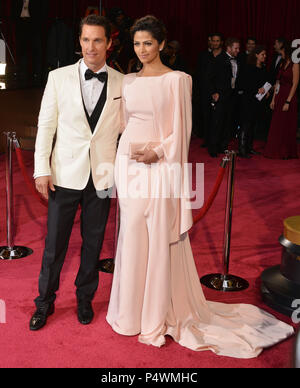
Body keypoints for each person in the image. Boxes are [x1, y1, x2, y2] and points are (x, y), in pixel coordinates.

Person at [106, 15, 294, 359]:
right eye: (136, 43)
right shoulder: (128, 80)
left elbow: (182, 130)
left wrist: (157, 151)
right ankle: (128, 314)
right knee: (131, 233)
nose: (142, 49)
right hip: (127, 165)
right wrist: (121, 157)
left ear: (162, 44)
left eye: (148, 43)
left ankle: (154, 315)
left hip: (158, 167)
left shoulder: (178, 80)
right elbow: (123, 124)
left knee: (157, 236)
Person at [29, 15, 124, 331]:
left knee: (93, 245)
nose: (91, 47)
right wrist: (41, 169)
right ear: (79, 41)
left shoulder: (124, 83)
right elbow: (46, 126)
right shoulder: (58, 77)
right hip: (64, 175)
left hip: (102, 178)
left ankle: (85, 299)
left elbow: (127, 130)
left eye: (98, 40)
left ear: (109, 43)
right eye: (86, 40)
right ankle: (44, 303)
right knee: (54, 245)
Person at [264, 41, 299, 159]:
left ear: (287, 51)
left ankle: (286, 151)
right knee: (276, 124)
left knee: (287, 125)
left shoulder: (295, 64)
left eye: (282, 52)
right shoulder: (281, 64)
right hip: (279, 96)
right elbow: (277, 82)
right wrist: (273, 99)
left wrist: (288, 101)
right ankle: (274, 150)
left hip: (289, 96)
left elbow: (295, 84)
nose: (281, 54)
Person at [207, 37, 241, 157]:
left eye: (238, 48)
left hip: (232, 96)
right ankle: (213, 148)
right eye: (236, 48)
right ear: (229, 48)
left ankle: (223, 146)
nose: (238, 50)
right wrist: (214, 92)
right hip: (220, 95)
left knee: (228, 122)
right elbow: (210, 77)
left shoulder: (237, 60)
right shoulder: (219, 59)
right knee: (217, 123)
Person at [238, 46, 272, 158]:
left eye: (265, 54)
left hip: (258, 101)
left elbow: (265, 82)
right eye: (262, 54)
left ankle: (249, 147)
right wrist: (257, 89)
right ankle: (242, 149)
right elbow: (244, 84)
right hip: (248, 100)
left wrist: (266, 91)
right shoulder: (248, 67)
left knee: (253, 124)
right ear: (256, 55)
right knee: (246, 124)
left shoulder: (263, 68)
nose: (264, 56)